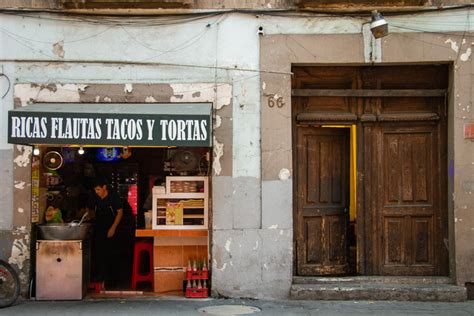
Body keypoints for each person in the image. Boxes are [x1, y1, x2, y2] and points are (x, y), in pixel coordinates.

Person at [87, 178, 123, 286]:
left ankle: (112, 280)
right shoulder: (94, 198)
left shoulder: (113, 198)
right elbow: (90, 210)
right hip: (99, 228)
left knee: (111, 253)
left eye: (98, 189)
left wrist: (113, 228)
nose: (97, 192)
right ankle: (100, 276)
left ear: (104, 187)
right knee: (99, 253)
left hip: (112, 228)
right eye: (95, 190)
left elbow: (120, 213)